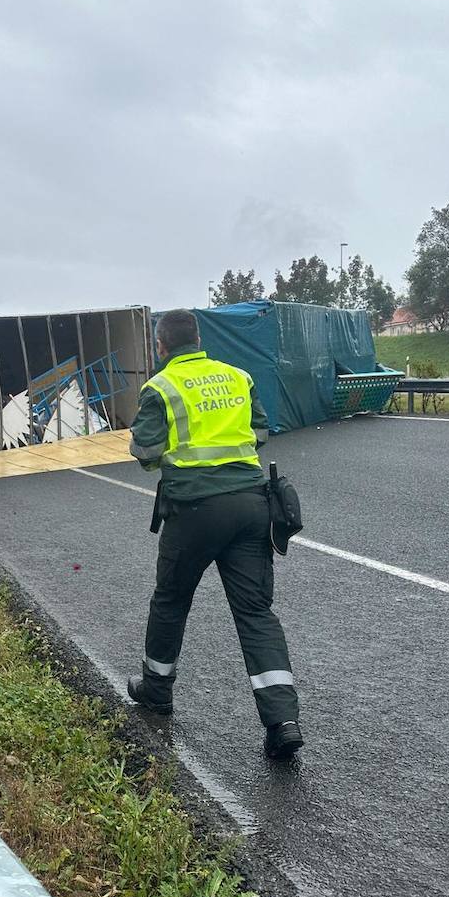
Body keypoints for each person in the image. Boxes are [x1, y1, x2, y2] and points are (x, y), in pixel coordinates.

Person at [126, 308, 304, 760]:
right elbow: (260, 432)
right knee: (255, 613)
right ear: (199, 338)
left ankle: (157, 691)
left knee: (171, 600)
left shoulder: (160, 387)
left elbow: (145, 451)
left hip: (194, 511)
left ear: (161, 347)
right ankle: (282, 721)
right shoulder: (237, 377)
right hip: (251, 505)